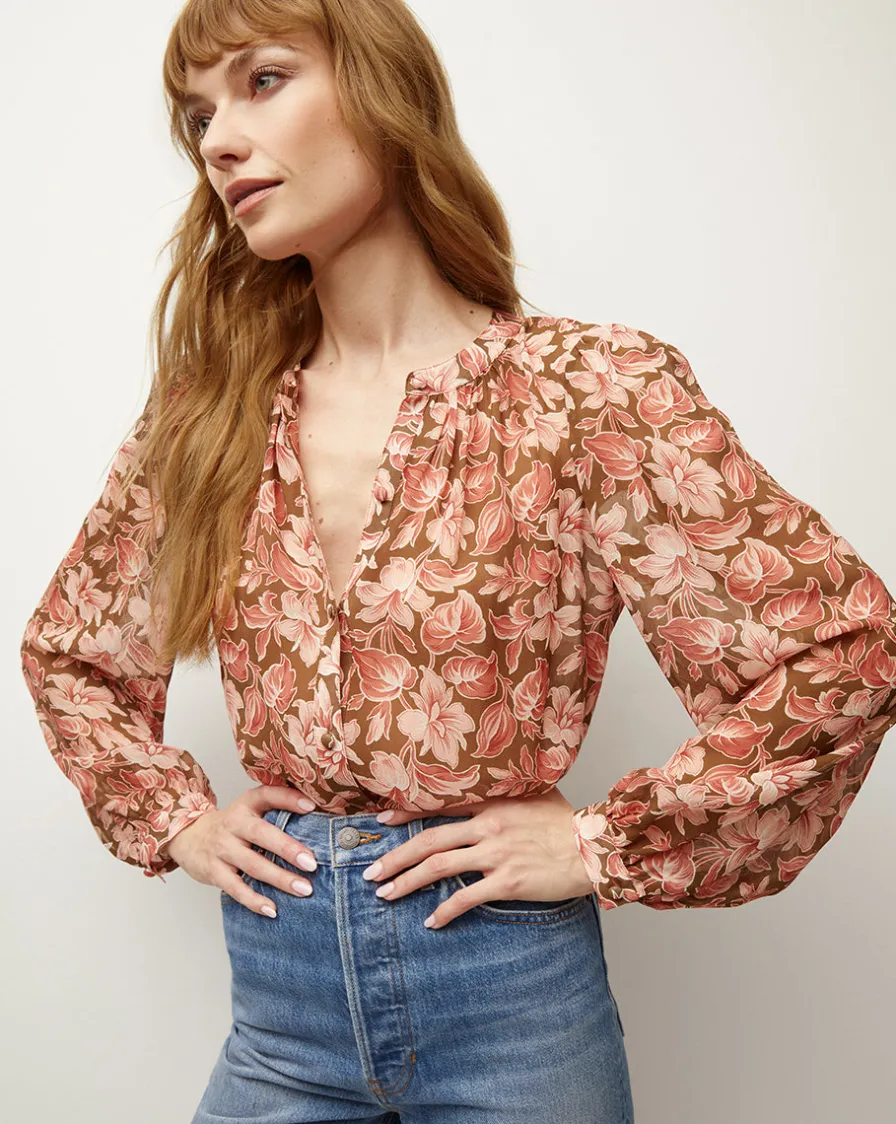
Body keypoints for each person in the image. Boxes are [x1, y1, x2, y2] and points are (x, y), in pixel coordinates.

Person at [18, 1, 896, 1121]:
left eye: (263, 80)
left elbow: (838, 651)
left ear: (381, 90)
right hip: (280, 1002)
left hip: (510, 1006)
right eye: (197, 116)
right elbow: (74, 653)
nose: (220, 140)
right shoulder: (209, 413)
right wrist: (177, 818)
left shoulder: (584, 391)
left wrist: (603, 842)